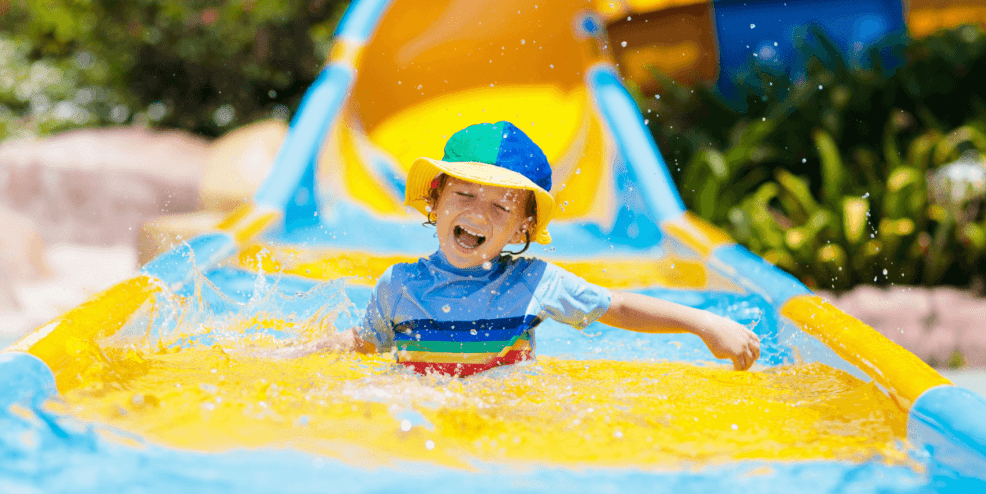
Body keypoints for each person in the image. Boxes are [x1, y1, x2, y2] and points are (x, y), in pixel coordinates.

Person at [304, 121, 760, 375]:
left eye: (501, 207)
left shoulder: (534, 282)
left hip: (503, 416)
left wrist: (703, 323)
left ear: (523, 229)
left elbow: (617, 307)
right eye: (464, 196)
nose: (479, 215)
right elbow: (362, 345)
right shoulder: (399, 285)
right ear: (436, 198)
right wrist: (292, 355)